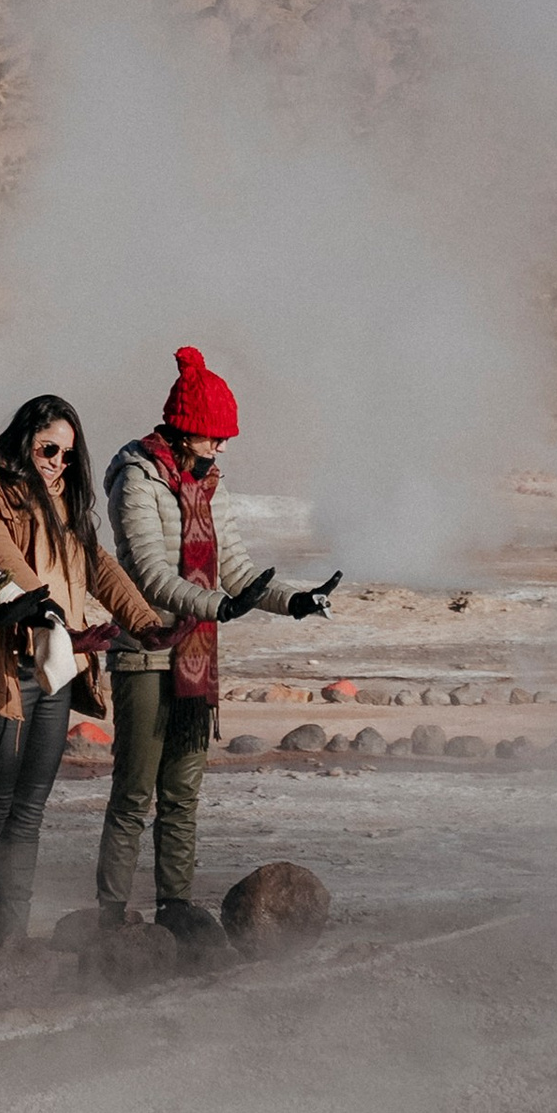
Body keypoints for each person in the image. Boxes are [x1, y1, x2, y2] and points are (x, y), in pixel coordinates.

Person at [97, 346, 339, 937]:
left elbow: (235, 567)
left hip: (196, 656)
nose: (222, 448)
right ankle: (109, 915)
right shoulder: (137, 478)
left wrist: (294, 602)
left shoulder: (210, 483)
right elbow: (149, 572)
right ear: (184, 430)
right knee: (135, 791)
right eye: (214, 437)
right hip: (148, 648)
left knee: (182, 790)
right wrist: (219, 607)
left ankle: (173, 907)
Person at [0, 392, 169, 971]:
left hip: (57, 667)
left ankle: (12, 942)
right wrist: (47, 610)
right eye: (49, 450)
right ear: (25, 438)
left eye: (68, 456)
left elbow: (99, 566)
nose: (57, 464)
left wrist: (143, 619)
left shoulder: (66, 504)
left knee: (30, 809)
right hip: (10, 662)